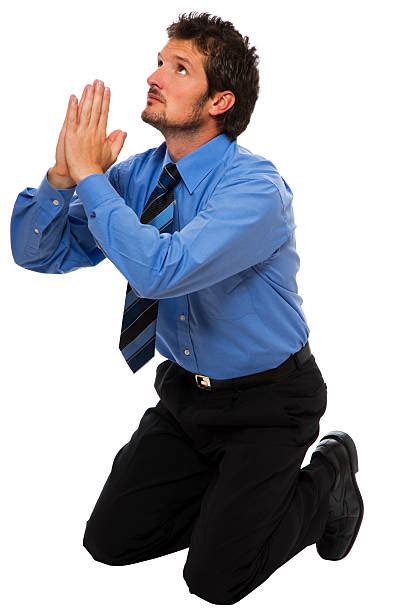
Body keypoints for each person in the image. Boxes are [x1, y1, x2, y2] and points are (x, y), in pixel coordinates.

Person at [10, 11, 364, 606]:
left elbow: (162, 269)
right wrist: (63, 177)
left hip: (269, 402)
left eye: (179, 69)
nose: (155, 77)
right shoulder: (138, 176)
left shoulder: (255, 189)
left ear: (220, 101)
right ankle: (235, 507)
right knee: (110, 541)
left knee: (215, 581)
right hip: (183, 399)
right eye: (158, 61)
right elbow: (36, 253)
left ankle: (327, 476)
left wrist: (93, 178)